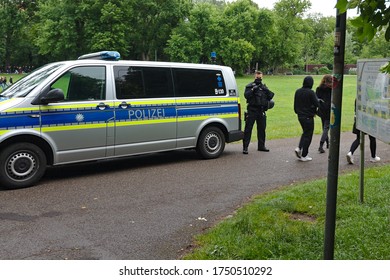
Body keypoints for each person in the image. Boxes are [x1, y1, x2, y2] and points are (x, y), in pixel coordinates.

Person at [242, 70, 275, 154]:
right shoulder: (250, 86)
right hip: (252, 110)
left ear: (262, 77)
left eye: (260, 78)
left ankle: (261, 146)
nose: (258, 79)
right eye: (257, 77)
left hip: (261, 110)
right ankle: (245, 147)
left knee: (262, 129)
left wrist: (265, 90)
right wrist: (253, 89)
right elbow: (246, 96)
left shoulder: (264, 87)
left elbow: (271, 96)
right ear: (254, 77)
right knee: (248, 129)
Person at [294, 76, 319, 161]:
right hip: (308, 116)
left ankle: (299, 147)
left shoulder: (298, 91)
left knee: (305, 133)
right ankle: (304, 154)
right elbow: (317, 103)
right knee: (308, 135)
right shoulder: (311, 92)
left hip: (300, 116)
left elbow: (295, 105)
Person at [315, 74, 332, 153]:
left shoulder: (319, 88)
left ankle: (328, 143)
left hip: (321, 110)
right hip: (329, 110)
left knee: (324, 127)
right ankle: (321, 145)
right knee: (326, 128)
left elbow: (316, 99)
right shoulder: (331, 89)